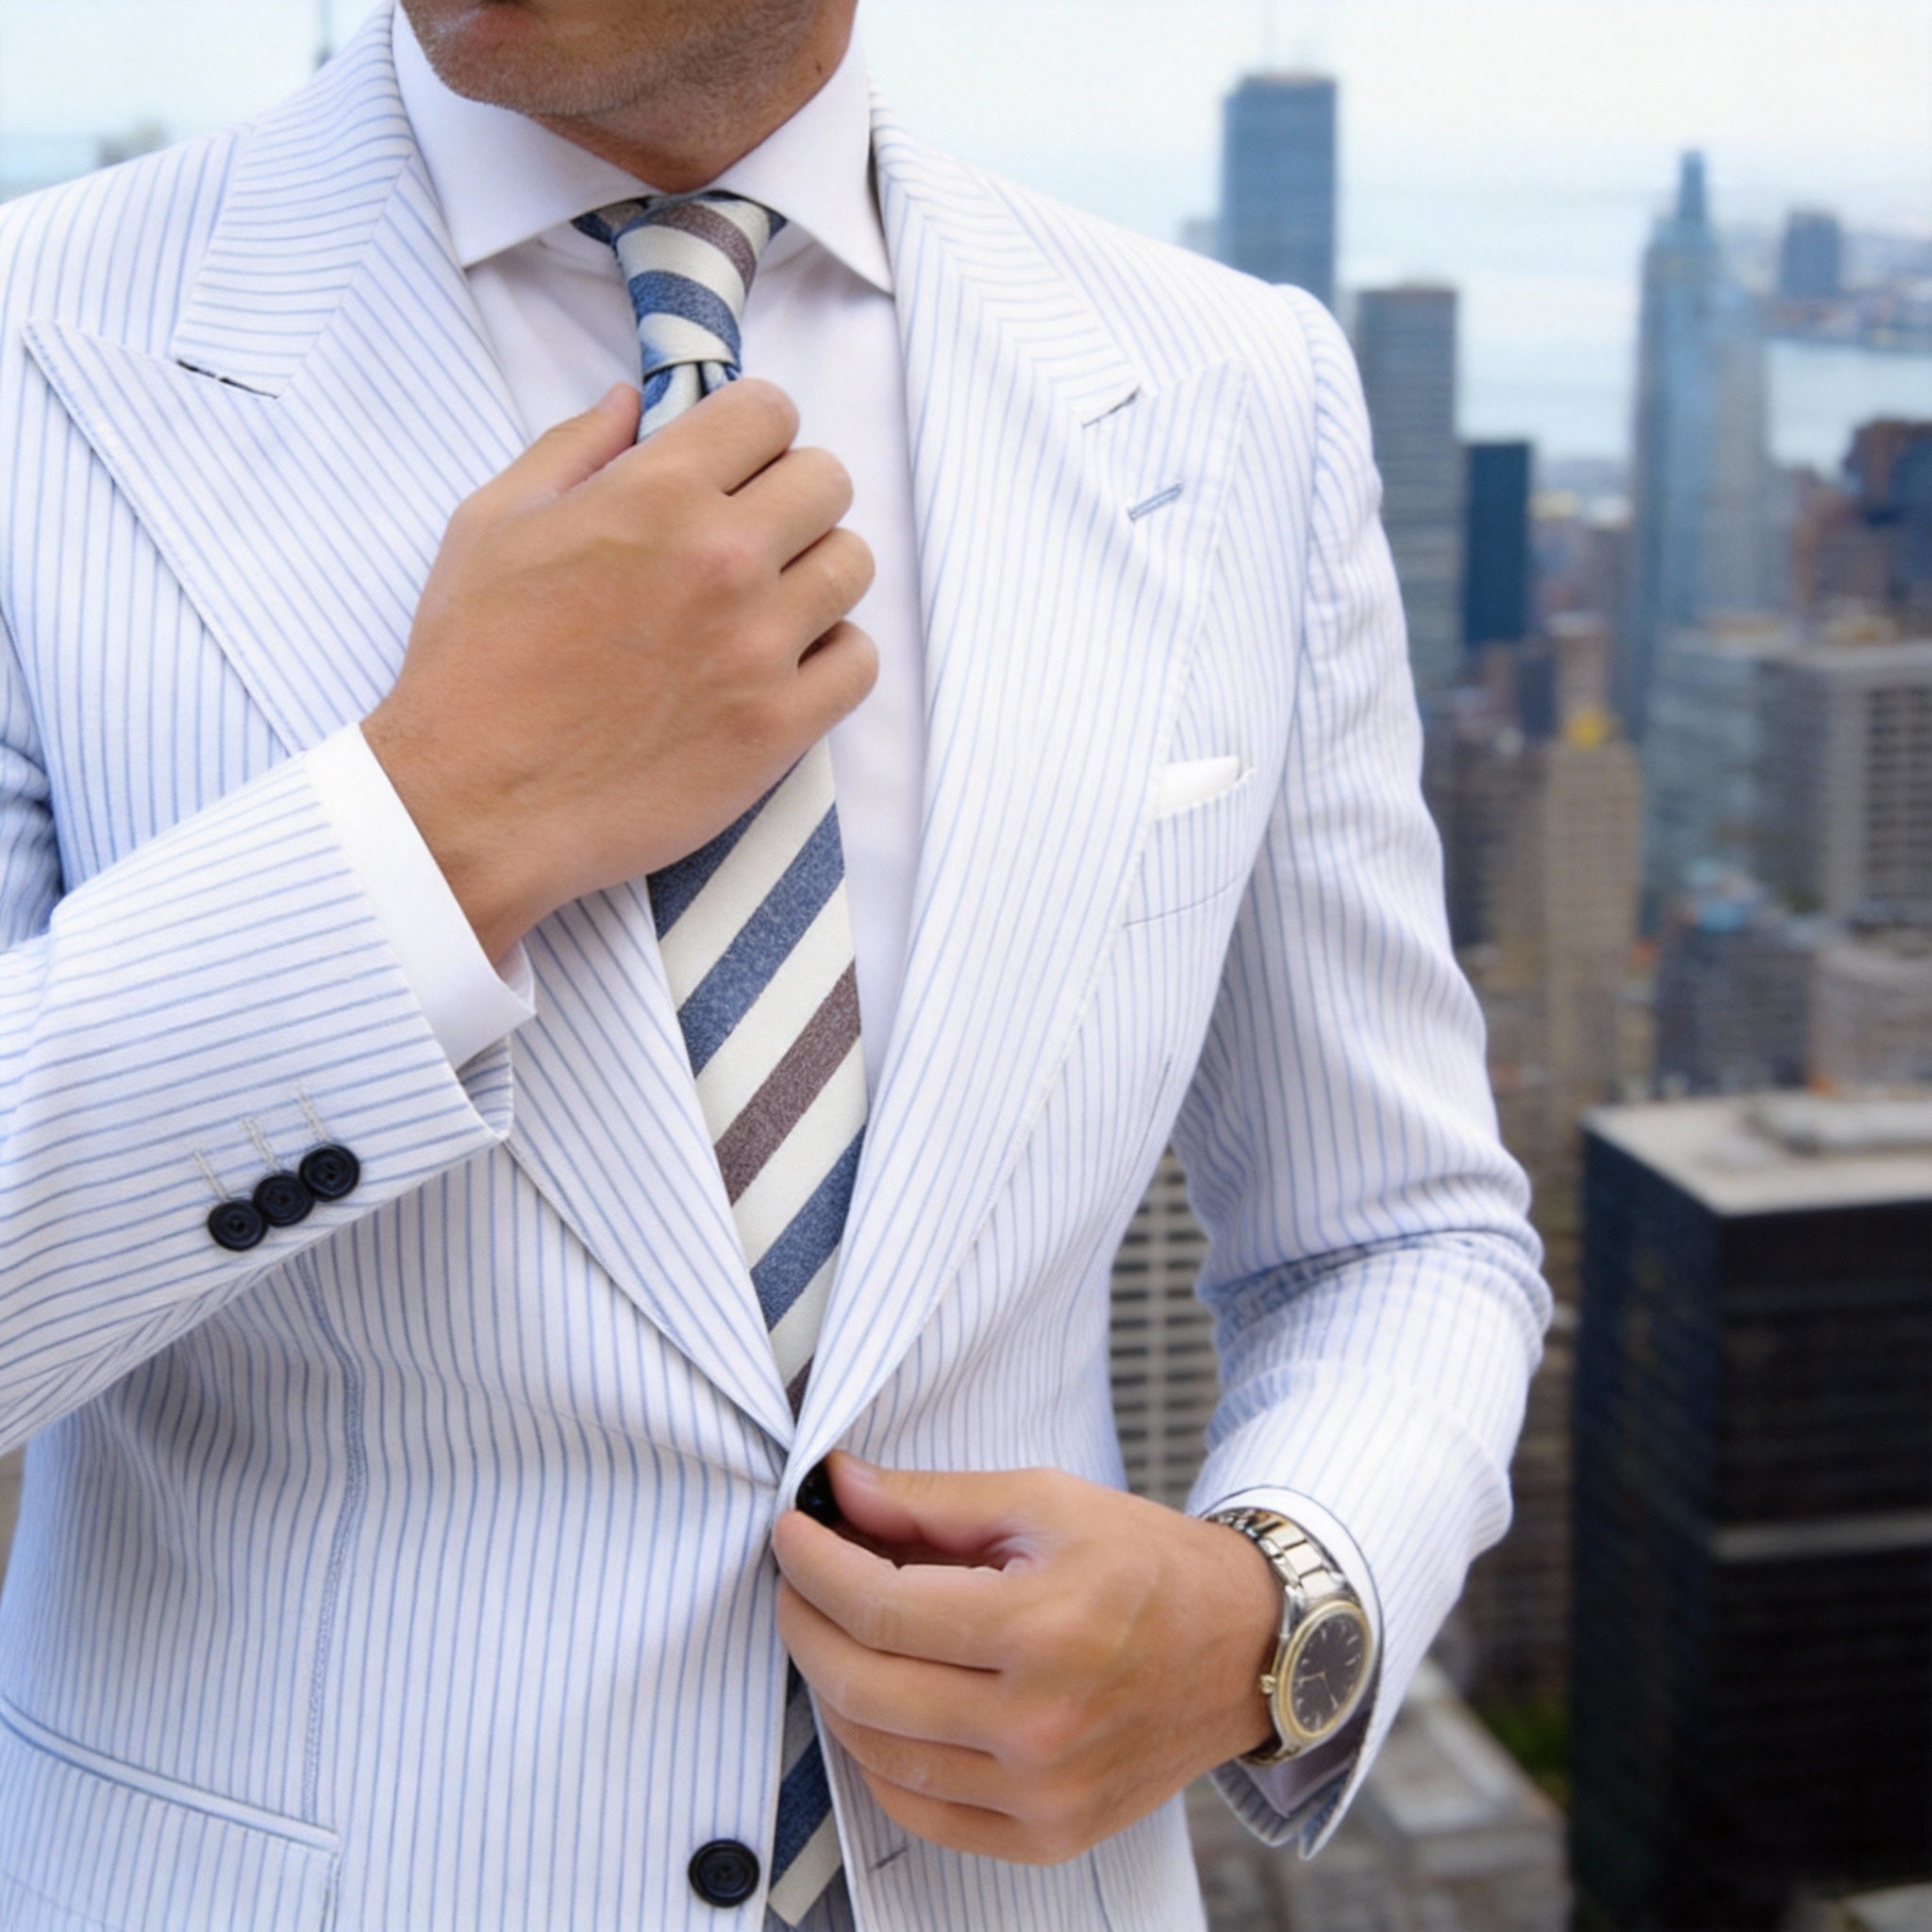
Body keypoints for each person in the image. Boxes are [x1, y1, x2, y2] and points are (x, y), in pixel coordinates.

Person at [0, 2, 1549, 1927]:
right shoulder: (33, 349)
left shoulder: (1236, 390)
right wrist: (429, 834)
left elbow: (1400, 1234)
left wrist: (1268, 1606)